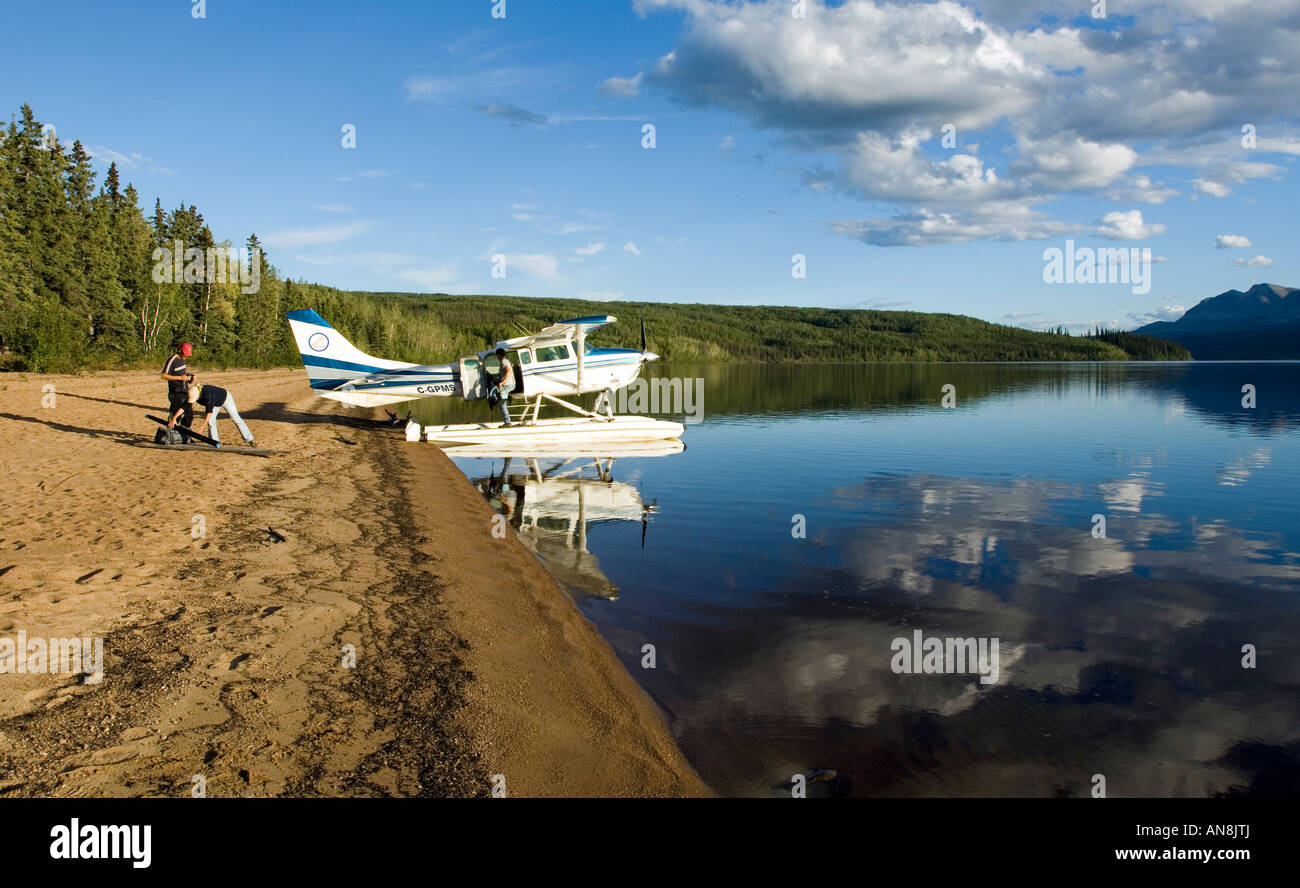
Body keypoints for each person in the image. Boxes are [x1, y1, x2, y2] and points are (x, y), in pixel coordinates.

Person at [168, 383, 257, 449]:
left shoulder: (208, 395)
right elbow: (184, 407)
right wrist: (174, 418)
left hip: (226, 398)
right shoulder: (193, 393)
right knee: (211, 421)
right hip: (215, 403)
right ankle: (214, 442)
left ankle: (250, 440)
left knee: (235, 418)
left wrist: (202, 427)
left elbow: (209, 413)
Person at [161, 342, 195, 434]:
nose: (186, 356)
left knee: (189, 416)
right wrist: (180, 378)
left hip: (185, 391)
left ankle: (184, 434)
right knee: (175, 416)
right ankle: (170, 434)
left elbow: (181, 374)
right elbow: (163, 375)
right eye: (185, 354)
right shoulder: (173, 359)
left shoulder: (183, 360)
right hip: (175, 393)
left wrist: (189, 377)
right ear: (180, 351)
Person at [491, 348, 516, 425]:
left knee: (501, 402)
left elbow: (508, 371)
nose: (497, 357)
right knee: (500, 400)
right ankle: (508, 396)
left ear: (498, 355)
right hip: (509, 384)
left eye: (497, 355)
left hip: (508, 385)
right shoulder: (506, 361)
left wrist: (502, 382)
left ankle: (508, 422)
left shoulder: (504, 361)